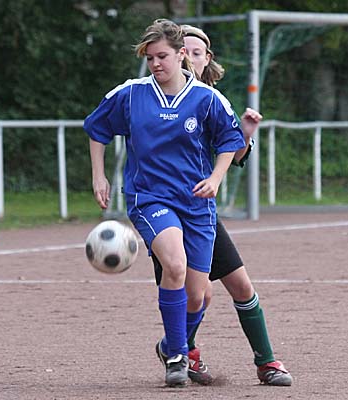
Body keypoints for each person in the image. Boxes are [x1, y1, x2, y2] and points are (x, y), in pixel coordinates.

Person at [84, 19, 246, 387]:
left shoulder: (207, 98)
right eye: (150, 58)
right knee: (174, 264)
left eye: (162, 56)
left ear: (180, 55)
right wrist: (98, 176)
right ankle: (177, 359)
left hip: (196, 204)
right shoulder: (131, 94)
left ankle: (171, 345)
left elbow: (231, 140)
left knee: (198, 297)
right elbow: (97, 129)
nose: (155, 63)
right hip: (150, 198)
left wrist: (216, 178)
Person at [153, 24, 293, 387]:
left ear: (206, 58)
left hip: (202, 211)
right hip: (167, 209)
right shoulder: (155, 98)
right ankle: (181, 351)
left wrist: (244, 134)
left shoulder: (211, 99)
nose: (189, 56)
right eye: (184, 50)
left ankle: (266, 362)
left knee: (241, 286)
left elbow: (236, 155)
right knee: (198, 294)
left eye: (196, 52)